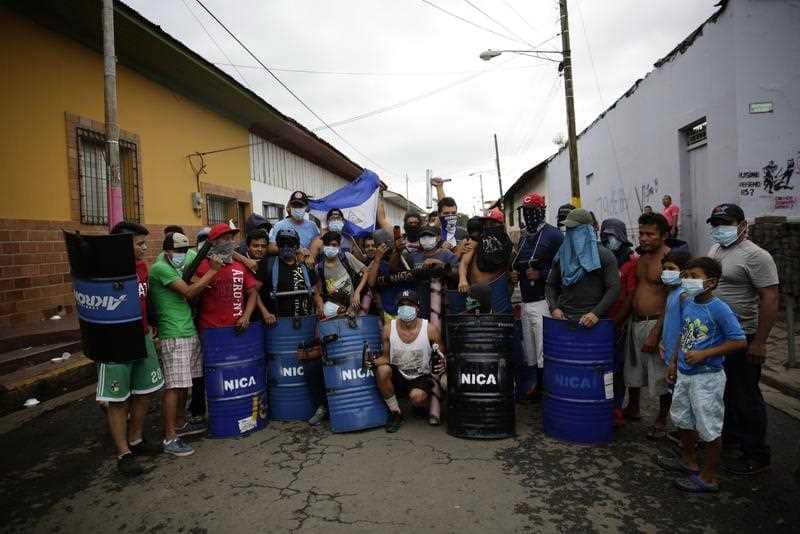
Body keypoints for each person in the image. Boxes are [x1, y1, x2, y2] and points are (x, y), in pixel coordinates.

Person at [658, 257, 747, 493]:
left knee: (708, 426)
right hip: (685, 373)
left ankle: (709, 477)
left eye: (693, 276)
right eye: (685, 275)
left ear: (711, 282)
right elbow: (683, 334)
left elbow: (738, 341)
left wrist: (706, 353)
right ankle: (688, 460)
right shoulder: (687, 301)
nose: (687, 280)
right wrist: (674, 362)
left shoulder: (720, 309)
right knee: (683, 419)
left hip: (707, 377)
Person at [707, 203, 779, 475]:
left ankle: (757, 453)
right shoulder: (715, 250)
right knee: (722, 392)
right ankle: (731, 441)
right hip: (715, 336)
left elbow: (770, 299)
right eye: (715, 224)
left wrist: (760, 342)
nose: (719, 229)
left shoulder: (756, 256)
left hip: (742, 335)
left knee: (746, 394)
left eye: (725, 223)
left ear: (742, 225)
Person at [98, 221, 165, 477]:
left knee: (146, 390)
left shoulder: (142, 267)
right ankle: (123, 453)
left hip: (143, 336)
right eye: (139, 244)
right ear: (121, 245)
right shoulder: (103, 270)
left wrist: (153, 322)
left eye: (144, 243)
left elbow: (145, 298)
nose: (144, 248)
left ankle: (136, 439)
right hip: (115, 342)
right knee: (117, 399)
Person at [149, 232, 220, 456]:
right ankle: (170, 438)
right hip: (173, 333)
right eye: (177, 251)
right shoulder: (160, 268)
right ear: (167, 251)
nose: (182, 255)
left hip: (187, 329)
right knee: (174, 386)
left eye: (183, 250)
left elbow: (199, 254)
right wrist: (213, 271)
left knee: (184, 385)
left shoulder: (182, 255)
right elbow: (189, 292)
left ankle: (180, 424)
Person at [256, 228, 328, 425]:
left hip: (305, 326)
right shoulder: (269, 265)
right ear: (277, 246)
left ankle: (320, 406)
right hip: (278, 330)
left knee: (312, 366)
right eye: (283, 244)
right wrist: (265, 313)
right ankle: (275, 407)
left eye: (291, 244)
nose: (287, 248)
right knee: (279, 368)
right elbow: (253, 292)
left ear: (297, 246)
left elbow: (315, 290)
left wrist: (319, 303)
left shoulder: (305, 266)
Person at [623, 213, 672, 436]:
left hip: (657, 324)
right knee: (633, 370)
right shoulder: (641, 259)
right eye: (641, 233)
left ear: (664, 235)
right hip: (635, 323)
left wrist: (657, 332)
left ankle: (662, 418)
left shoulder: (670, 261)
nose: (643, 238)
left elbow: (672, 301)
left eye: (650, 234)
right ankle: (633, 408)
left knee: (661, 376)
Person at [512, 194, 563, 396]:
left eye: (532, 211)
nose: (528, 215)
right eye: (526, 211)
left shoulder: (554, 235)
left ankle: (547, 390)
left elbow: (564, 266)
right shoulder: (524, 236)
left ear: (541, 211)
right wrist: (515, 273)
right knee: (530, 350)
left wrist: (541, 274)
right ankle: (536, 386)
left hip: (544, 300)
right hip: (525, 300)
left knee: (544, 348)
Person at [374, 290, 447, 432]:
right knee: (382, 370)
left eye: (410, 304)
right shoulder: (388, 329)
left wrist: (441, 365)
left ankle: (420, 405)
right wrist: (371, 362)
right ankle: (396, 413)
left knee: (417, 398)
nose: (405, 308)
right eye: (402, 304)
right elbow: (386, 358)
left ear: (417, 308)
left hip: (421, 375)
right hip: (399, 374)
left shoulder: (430, 329)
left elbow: (442, 356)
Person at [546, 209, 620, 325]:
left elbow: (614, 288)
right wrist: (554, 308)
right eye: (569, 229)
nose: (571, 233)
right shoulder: (562, 255)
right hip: (564, 322)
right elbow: (550, 285)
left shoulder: (603, 255)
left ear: (587, 230)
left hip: (595, 323)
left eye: (575, 229)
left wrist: (596, 313)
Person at [601, 218, 638, 427]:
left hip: (619, 322)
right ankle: (605, 404)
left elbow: (631, 296)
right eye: (605, 235)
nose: (608, 240)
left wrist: (618, 321)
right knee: (605, 365)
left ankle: (616, 407)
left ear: (621, 236)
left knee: (618, 367)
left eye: (612, 235)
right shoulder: (604, 258)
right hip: (602, 320)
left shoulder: (630, 261)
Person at [192, 223, 259, 331]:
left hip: (237, 328)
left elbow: (252, 293)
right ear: (214, 242)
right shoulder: (202, 265)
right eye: (226, 239)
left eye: (232, 238)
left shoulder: (240, 265)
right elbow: (190, 291)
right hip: (210, 329)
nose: (231, 242)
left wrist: (246, 316)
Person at [658, 250, 692, 441]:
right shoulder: (672, 292)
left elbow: (687, 329)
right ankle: (682, 435)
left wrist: (676, 359)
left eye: (671, 269)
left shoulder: (684, 295)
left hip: (680, 357)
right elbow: (671, 322)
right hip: (670, 353)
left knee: (685, 400)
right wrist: (663, 342)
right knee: (676, 396)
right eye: (664, 269)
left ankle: (688, 443)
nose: (666, 273)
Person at [458, 208, 513, 313]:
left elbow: (511, 268)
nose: (488, 227)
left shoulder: (507, 245)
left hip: (499, 291)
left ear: (501, 226)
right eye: (486, 224)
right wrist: (462, 279)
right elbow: (464, 263)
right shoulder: (475, 242)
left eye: (492, 224)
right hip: (477, 292)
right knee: (478, 324)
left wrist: (513, 276)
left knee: (501, 322)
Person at [404, 225, 459, 321]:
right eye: (423, 237)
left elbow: (457, 273)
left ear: (438, 238)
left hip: (443, 303)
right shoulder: (414, 256)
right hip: (421, 304)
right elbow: (395, 267)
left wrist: (439, 264)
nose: (426, 239)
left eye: (430, 236)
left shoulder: (446, 254)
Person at [268, 191, 320, 267]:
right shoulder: (279, 225)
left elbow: (318, 244)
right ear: (290, 206)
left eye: (301, 205)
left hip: (305, 267)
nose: (297, 208)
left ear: (306, 207)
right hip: (285, 266)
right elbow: (271, 248)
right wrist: (297, 250)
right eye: (295, 205)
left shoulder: (312, 226)